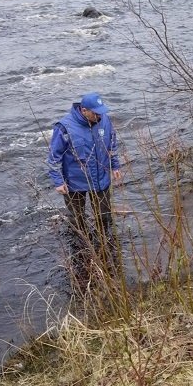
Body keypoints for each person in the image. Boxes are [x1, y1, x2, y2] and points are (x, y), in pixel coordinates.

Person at [47, 92, 122, 277]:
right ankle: (81, 253)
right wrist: (58, 181)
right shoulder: (64, 127)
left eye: (101, 112)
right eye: (95, 113)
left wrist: (115, 165)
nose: (99, 116)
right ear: (84, 110)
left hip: (101, 178)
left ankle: (106, 249)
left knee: (104, 216)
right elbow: (53, 157)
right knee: (77, 220)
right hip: (74, 182)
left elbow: (112, 144)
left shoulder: (105, 121)